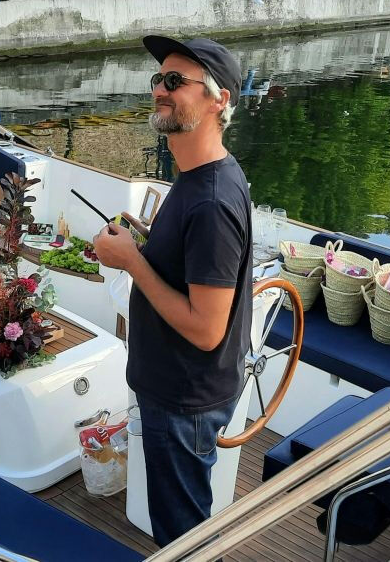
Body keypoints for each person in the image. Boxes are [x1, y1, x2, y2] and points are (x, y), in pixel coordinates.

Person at [92, 35, 253, 547]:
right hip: (183, 391)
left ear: (218, 98)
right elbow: (192, 268)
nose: (161, 89)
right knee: (187, 524)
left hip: (184, 400)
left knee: (182, 538)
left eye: (177, 81)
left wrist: (133, 262)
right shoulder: (205, 175)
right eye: (159, 79)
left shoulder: (209, 201)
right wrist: (147, 244)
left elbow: (207, 331)